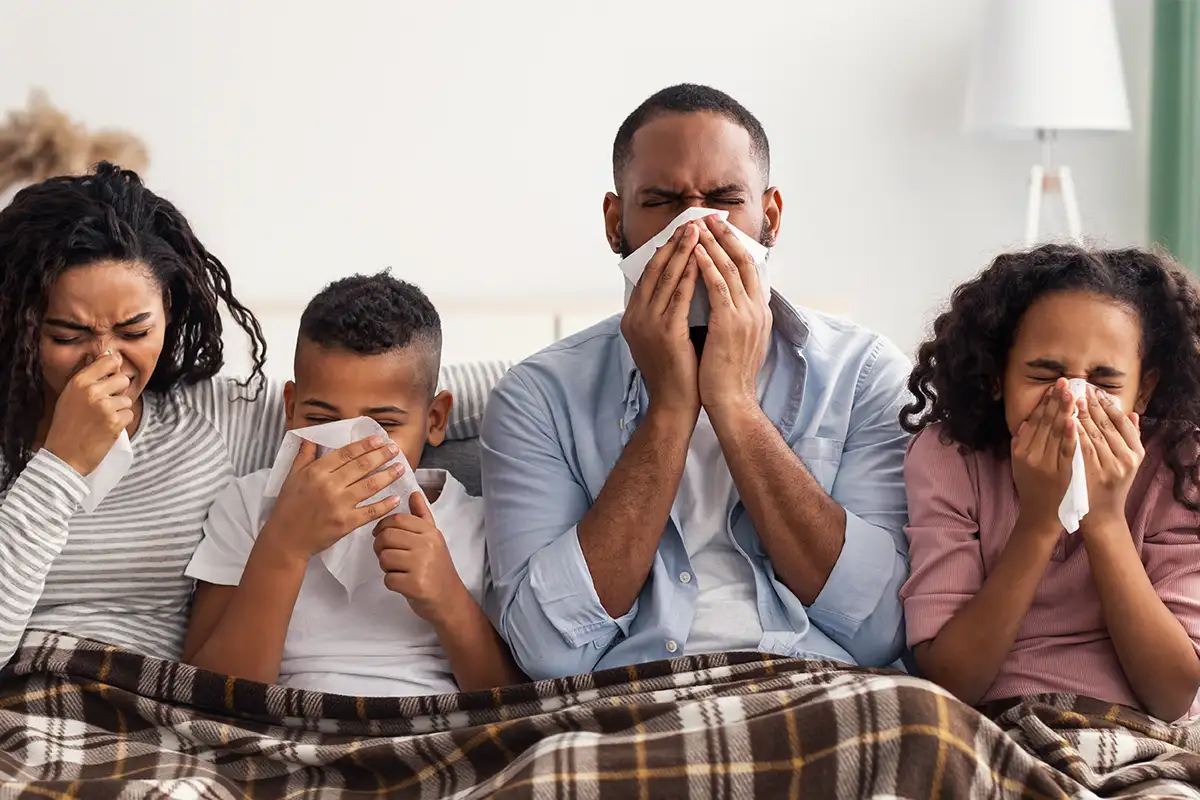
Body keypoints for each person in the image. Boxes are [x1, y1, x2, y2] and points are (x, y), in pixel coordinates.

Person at [481, 84, 912, 680]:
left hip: (824, 689)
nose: (693, 228)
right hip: (629, 704)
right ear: (615, 223)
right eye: (660, 201)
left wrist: (735, 404)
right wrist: (669, 409)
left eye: (724, 200)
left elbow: (882, 632)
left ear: (771, 217)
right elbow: (548, 653)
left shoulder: (864, 373)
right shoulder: (537, 398)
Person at [0, 162, 287, 668]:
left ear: (169, 309)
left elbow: (420, 394)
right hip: (25, 706)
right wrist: (60, 464)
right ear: (19, 324)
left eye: (134, 332)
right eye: (67, 336)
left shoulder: (212, 421)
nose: (105, 360)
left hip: (151, 711)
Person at [183, 273, 524, 695]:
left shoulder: (478, 523)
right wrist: (284, 547)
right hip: (280, 730)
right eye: (322, 421)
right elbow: (203, 694)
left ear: (434, 420)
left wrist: (449, 599)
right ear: (290, 410)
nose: (347, 449)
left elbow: (510, 700)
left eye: (381, 425)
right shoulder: (248, 505)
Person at [901, 244, 1200, 722]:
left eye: (1104, 383)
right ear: (999, 377)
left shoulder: (1179, 467)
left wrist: (1103, 519)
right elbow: (951, 681)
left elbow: (1173, 695)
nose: (1073, 399)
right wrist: (1040, 520)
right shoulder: (949, 459)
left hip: (1132, 726)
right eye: (1045, 374)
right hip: (990, 722)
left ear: (1142, 390)